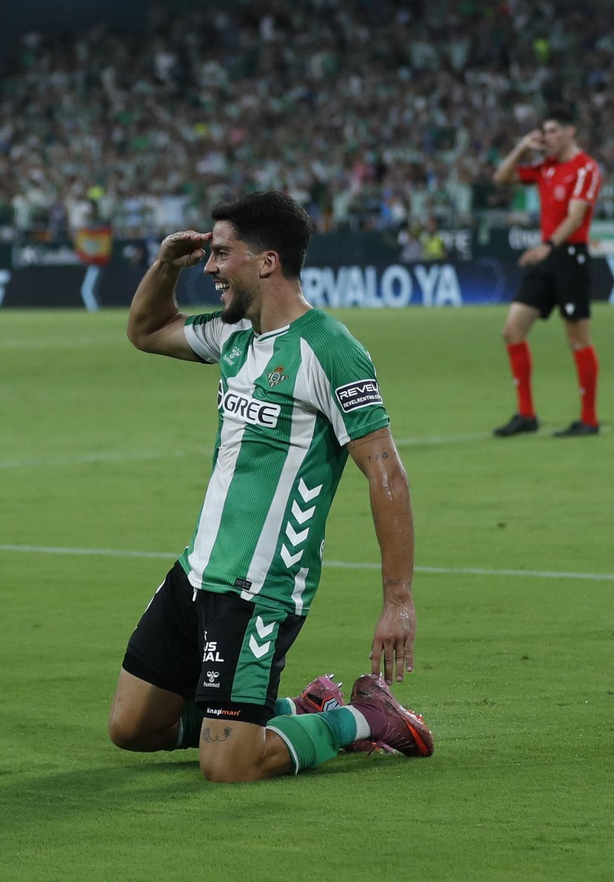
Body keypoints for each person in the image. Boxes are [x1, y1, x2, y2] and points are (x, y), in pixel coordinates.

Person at [111, 191, 432, 783]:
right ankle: (294, 711)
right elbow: (147, 330)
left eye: (220, 253)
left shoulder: (330, 350)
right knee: (132, 728)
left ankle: (363, 716)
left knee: (229, 766)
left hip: (258, 587)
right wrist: (164, 266)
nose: (208, 266)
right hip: (197, 572)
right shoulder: (234, 334)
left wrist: (398, 599)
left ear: (267, 262)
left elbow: (386, 472)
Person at [491, 107, 602, 438]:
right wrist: (523, 147)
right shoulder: (545, 168)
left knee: (577, 337)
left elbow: (577, 216)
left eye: (553, 130)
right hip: (548, 256)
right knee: (512, 330)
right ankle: (526, 415)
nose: (547, 137)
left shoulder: (586, 168)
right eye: (544, 131)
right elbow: (502, 177)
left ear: (571, 131)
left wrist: (549, 246)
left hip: (569, 256)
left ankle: (589, 420)